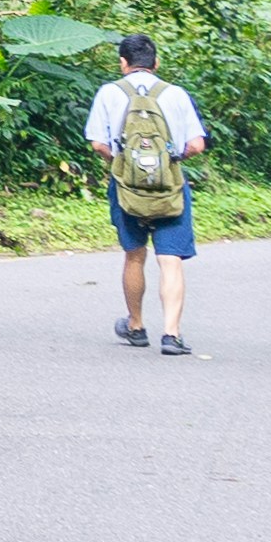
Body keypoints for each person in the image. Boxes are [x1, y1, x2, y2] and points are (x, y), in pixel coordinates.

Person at [81, 31, 205, 353]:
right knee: (170, 259)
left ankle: (136, 326)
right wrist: (170, 159)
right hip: (170, 188)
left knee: (135, 255)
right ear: (156, 63)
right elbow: (196, 144)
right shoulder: (175, 94)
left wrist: (122, 161)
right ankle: (172, 335)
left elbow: (98, 143)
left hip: (126, 188)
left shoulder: (109, 93)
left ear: (123, 63)